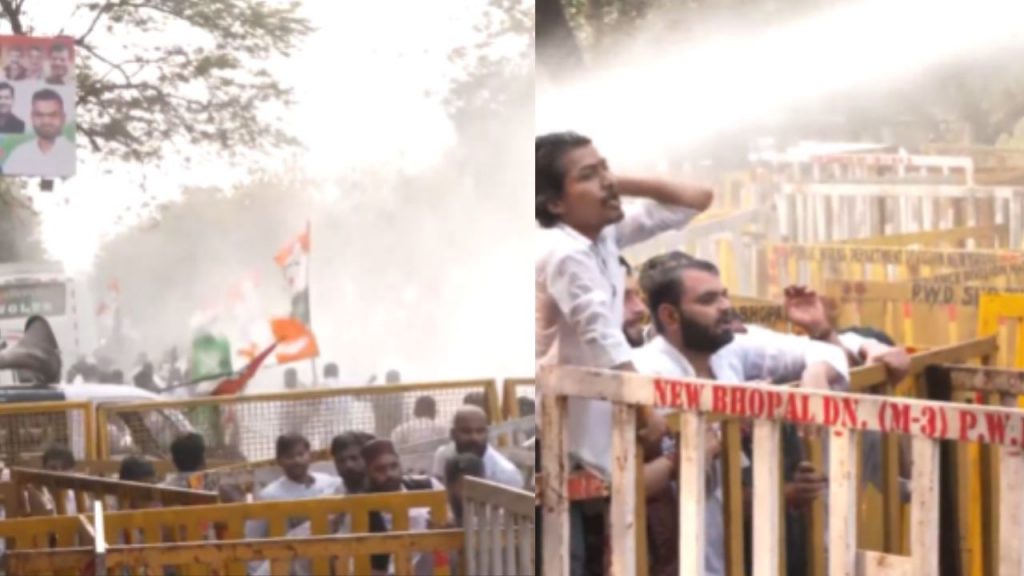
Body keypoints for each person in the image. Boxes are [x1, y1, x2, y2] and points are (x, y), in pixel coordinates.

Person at [535, 131, 711, 575]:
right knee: (575, 558)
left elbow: (694, 199)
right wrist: (643, 404)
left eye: (604, 168)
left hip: (594, 425)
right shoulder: (563, 252)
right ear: (556, 203)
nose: (607, 182)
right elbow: (600, 335)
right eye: (588, 176)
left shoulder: (602, 236)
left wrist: (613, 182)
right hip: (566, 433)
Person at [633, 254, 852, 576]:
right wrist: (686, 456)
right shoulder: (641, 373)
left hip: (727, 549)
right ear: (670, 315)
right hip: (665, 553)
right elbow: (617, 484)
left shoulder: (728, 352)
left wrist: (815, 376)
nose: (724, 306)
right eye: (708, 300)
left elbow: (823, 352)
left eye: (724, 295)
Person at [361, 439, 441, 576]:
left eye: (394, 466)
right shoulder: (361, 507)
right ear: (368, 473)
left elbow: (449, 517)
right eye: (380, 469)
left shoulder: (428, 485)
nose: (389, 474)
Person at [431, 405, 523, 489]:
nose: (474, 438)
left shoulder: (506, 475)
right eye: (466, 432)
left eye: (480, 431)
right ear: (453, 434)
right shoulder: (443, 455)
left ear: (487, 433)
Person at [3, 88, 75, 177]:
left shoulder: (71, 153)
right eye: (39, 115)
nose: (46, 121)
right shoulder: (19, 153)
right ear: (32, 117)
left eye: (53, 115)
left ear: (63, 118)